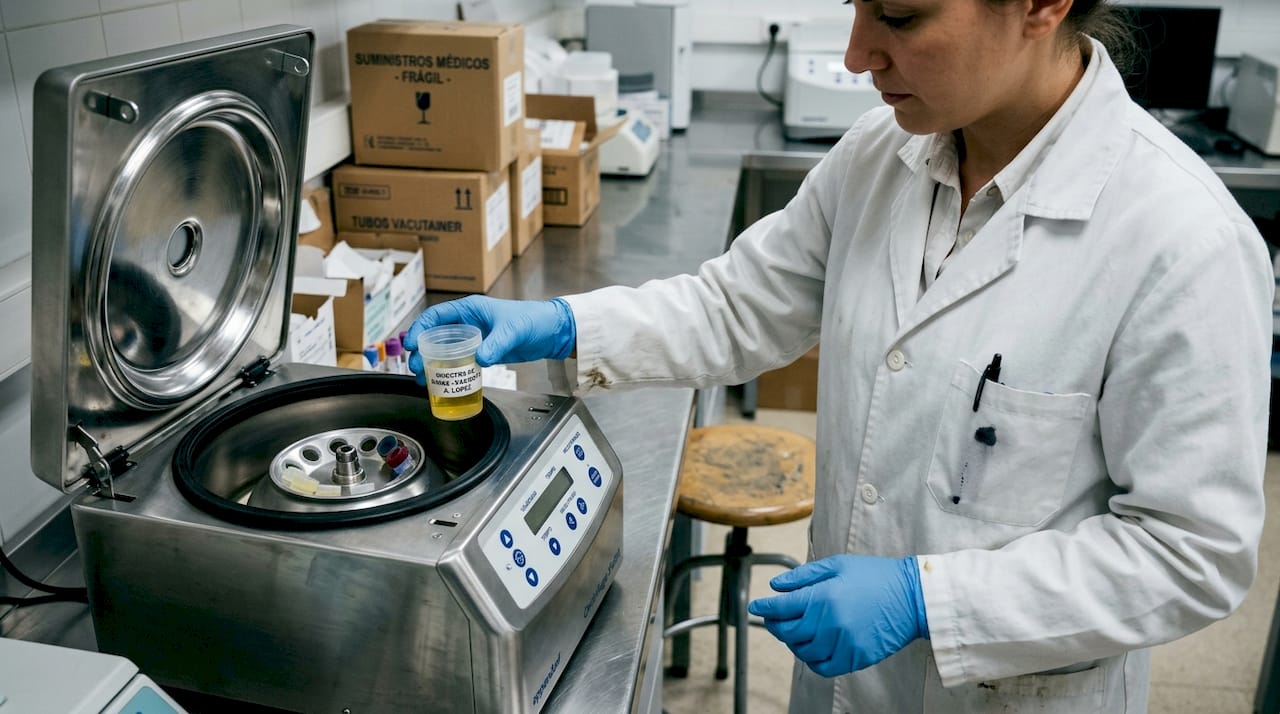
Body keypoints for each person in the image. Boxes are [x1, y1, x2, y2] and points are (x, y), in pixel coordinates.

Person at [405, 0, 1274, 710]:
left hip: (1012, 694)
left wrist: (930, 600)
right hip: (844, 688)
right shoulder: (879, 154)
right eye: (857, 7)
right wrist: (565, 323)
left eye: (900, 16)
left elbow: (1190, 553)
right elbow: (737, 306)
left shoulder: (1181, 241)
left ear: (1042, 5)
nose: (858, 54)